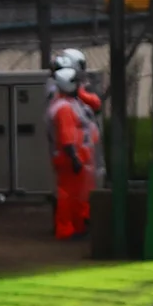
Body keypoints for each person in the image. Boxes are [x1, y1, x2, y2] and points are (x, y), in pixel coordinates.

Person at [45, 47, 101, 241]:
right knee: (68, 196)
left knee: (79, 194)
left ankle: (79, 223)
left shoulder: (70, 98)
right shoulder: (62, 104)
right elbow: (66, 135)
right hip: (70, 156)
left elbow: (95, 105)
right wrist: (74, 157)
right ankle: (67, 229)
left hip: (80, 154)